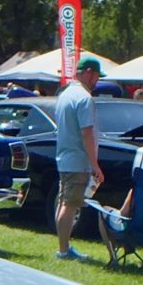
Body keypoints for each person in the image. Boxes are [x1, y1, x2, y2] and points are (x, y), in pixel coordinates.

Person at [53, 56, 105, 260]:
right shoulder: (84, 98)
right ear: (89, 72)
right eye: (97, 76)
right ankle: (63, 250)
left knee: (63, 202)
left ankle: (63, 247)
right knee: (70, 205)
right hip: (77, 160)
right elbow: (86, 133)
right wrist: (95, 165)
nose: (97, 81)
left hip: (64, 158)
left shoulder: (65, 95)